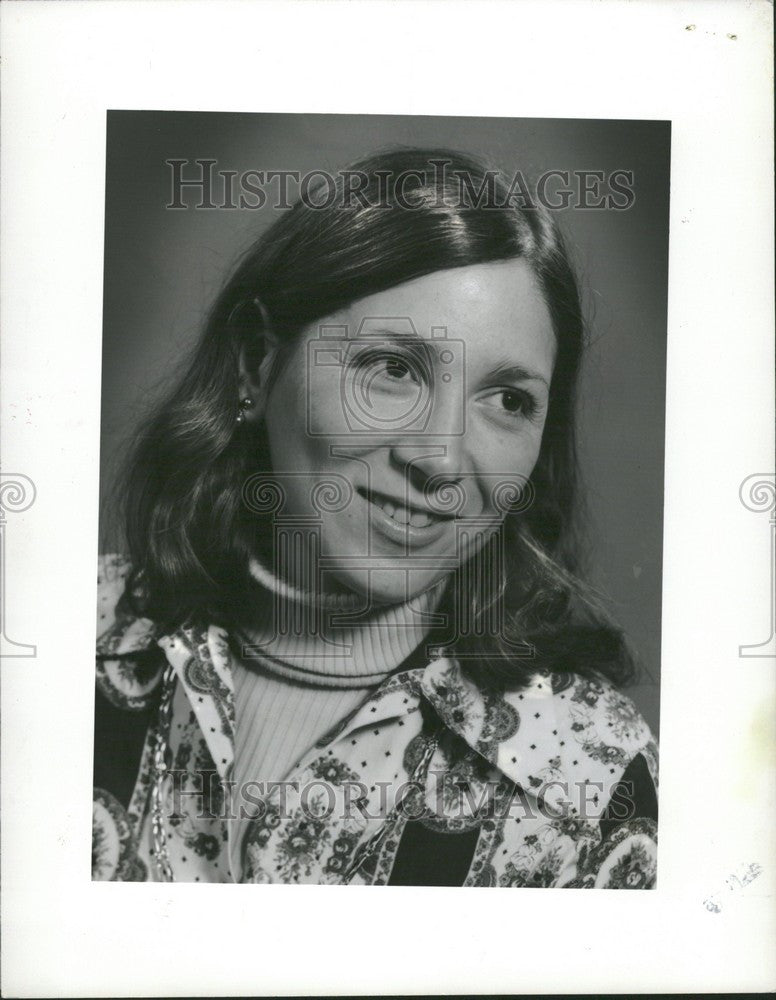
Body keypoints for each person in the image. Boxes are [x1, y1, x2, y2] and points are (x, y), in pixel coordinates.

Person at [93, 147, 658, 886]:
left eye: (508, 400)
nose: (442, 460)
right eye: (393, 368)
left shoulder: (594, 774)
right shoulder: (59, 637)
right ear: (257, 364)